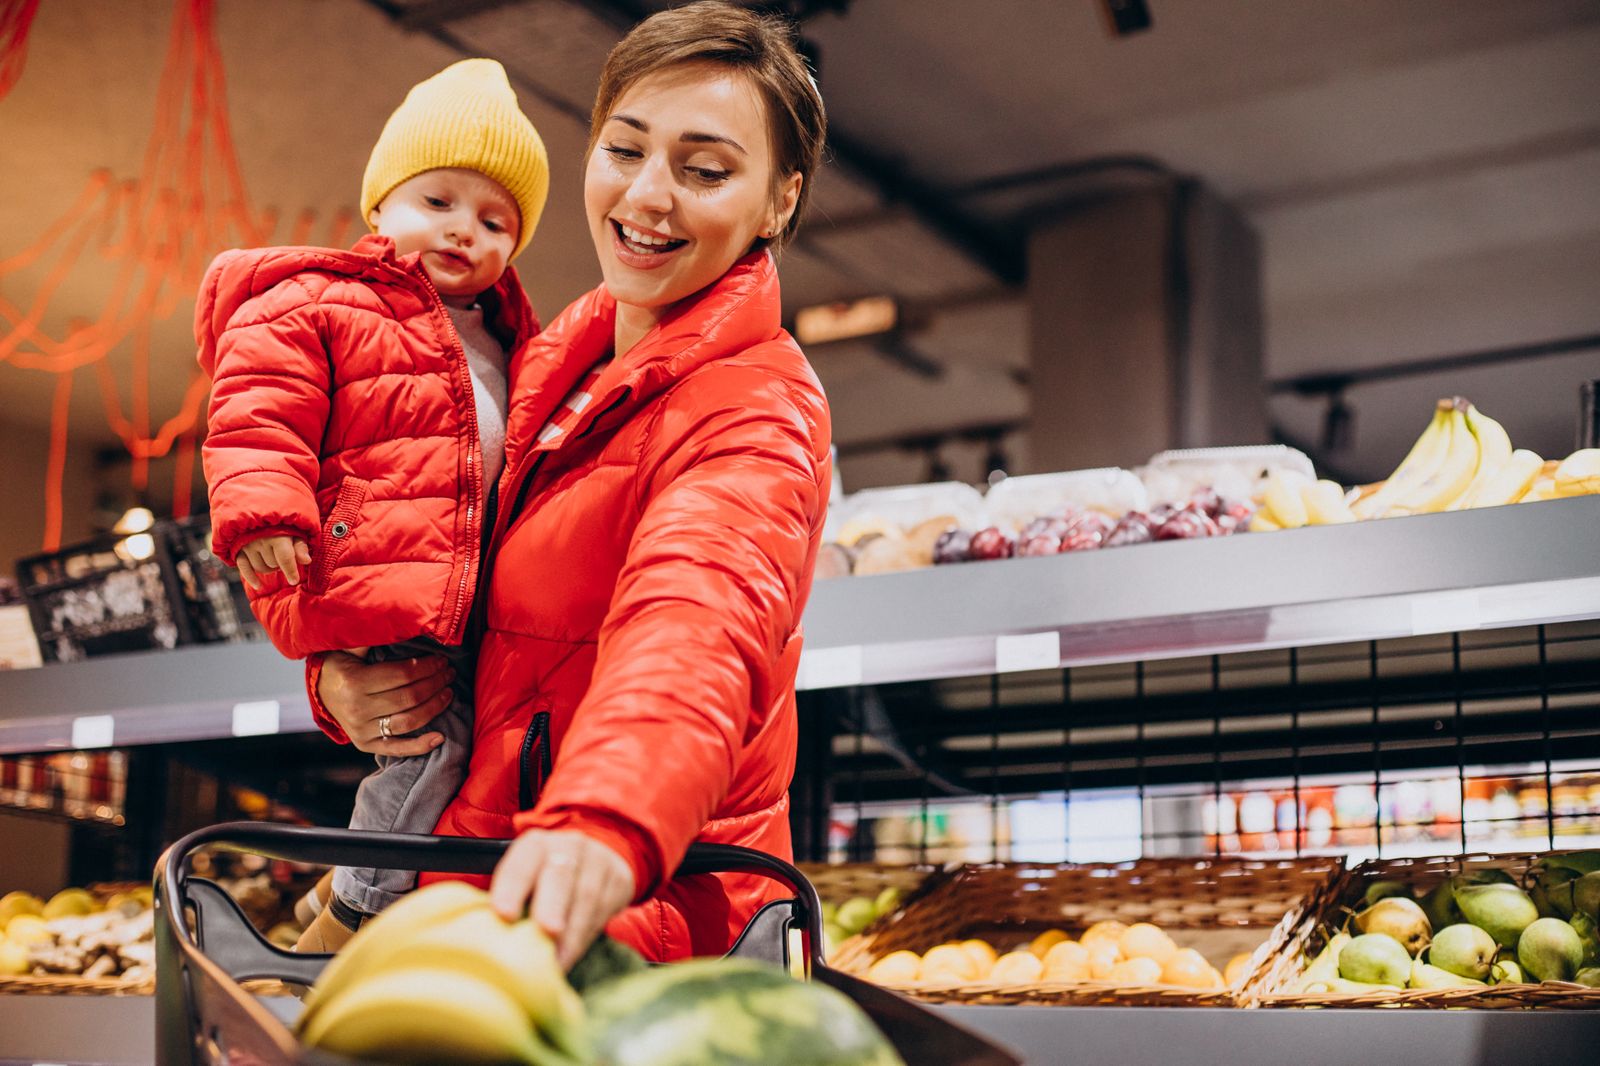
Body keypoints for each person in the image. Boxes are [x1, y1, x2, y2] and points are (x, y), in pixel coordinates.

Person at [311, 0, 831, 967]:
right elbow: (419, 561)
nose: (647, 195)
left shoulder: (756, 406)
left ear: (778, 202)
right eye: (624, 149)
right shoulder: (540, 367)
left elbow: (699, 622)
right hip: (493, 894)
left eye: (705, 169)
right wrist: (349, 677)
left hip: (651, 934)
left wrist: (605, 817)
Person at [195, 58, 549, 951]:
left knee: (456, 755)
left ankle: (335, 909)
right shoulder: (321, 300)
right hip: (371, 578)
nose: (466, 229)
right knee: (435, 747)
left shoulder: (518, 345)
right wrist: (265, 512)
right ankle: (351, 910)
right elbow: (258, 409)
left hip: (463, 603)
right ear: (381, 205)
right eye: (438, 201)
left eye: (495, 218)